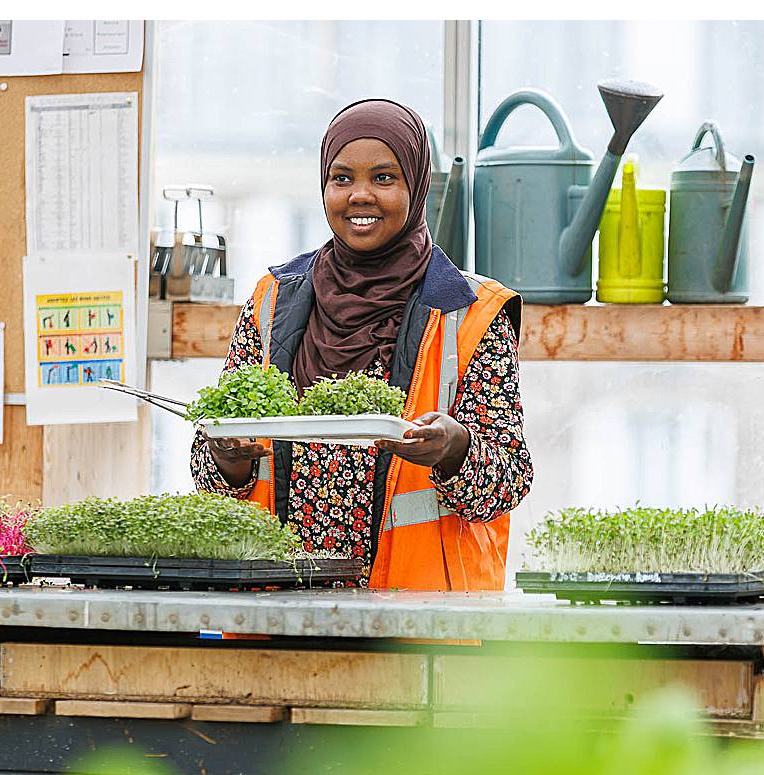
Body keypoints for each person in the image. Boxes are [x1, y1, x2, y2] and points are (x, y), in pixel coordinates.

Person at [191, 99, 531, 589]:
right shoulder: (274, 299)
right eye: (342, 178)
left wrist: (454, 449)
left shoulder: (468, 311)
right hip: (278, 607)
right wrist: (227, 457)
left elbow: (509, 479)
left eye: (384, 178)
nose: (360, 195)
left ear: (418, 186)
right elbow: (210, 474)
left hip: (414, 613)